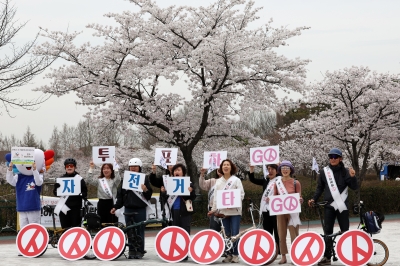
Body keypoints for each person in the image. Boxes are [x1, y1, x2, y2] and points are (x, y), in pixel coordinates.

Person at [308, 148, 358, 266]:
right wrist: (313, 199)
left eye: (335, 157)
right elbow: (320, 188)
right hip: (328, 206)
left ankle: (350, 256)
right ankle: (327, 257)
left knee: (345, 231)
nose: (333, 159)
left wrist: (352, 177)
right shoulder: (324, 172)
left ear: (340, 159)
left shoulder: (346, 172)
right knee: (327, 232)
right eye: (331, 157)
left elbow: (354, 187)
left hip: (342, 207)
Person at [110, 158, 153, 259]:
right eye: (131, 167)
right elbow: (121, 195)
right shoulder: (126, 179)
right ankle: (132, 250)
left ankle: (140, 250)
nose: (133, 168)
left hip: (140, 209)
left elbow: (149, 196)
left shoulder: (144, 178)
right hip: (128, 208)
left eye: (135, 166)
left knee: (139, 230)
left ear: (139, 168)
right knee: (130, 230)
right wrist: (116, 207)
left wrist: (145, 190)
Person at [208, 159, 245, 263]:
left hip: (235, 211)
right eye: (224, 165)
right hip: (223, 212)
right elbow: (216, 198)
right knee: (227, 233)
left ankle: (235, 254)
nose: (226, 166)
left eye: (228, 165)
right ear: (221, 168)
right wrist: (213, 210)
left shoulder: (236, 180)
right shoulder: (218, 182)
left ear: (231, 167)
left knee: (235, 233)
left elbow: (241, 195)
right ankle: (228, 254)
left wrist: (232, 204)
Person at [273, 160, 302, 265]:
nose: (285, 170)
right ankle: (283, 256)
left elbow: (299, 196)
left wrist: (300, 200)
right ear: (280, 170)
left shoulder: (296, 182)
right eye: (283, 168)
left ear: (291, 170)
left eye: (287, 168)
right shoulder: (277, 183)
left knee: (294, 233)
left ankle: (295, 255)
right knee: (281, 233)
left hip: (293, 212)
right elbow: (275, 196)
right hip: (280, 212)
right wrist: (270, 199)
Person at [248, 163, 280, 255]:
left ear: (276, 170)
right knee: (267, 231)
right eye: (268, 169)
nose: (270, 171)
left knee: (277, 232)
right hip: (266, 210)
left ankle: (279, 251)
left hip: (276, 210)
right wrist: (251, 169)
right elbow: (253, 179)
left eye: (272, 169)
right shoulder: (266, 181)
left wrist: (280, 165)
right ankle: (269, 250)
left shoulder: (280, 180)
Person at [53, 158, 88, 228]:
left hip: (76, 208)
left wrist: (82, 194)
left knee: (75, 228)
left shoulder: (79, 179)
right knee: (64, 228)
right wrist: (55, 189)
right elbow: (56, 193)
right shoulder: (61, 178)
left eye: (71, 166)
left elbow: (85, 192)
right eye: (67, 166)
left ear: (75, 167)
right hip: (64, 207)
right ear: (65, 167)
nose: (69, 167)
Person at [6, 161, 43, 229]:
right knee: (24, 230)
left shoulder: (37, 175)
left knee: (34, 229)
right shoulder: (18, 176)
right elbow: (10, 180)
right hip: (22, 207)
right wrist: (10, 168)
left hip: (33, 207)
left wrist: (35, 169)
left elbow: (38, 182)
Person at [199, 168, 222, 232]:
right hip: (213, 208)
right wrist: (202, 174)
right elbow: (202, 185)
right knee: (214, 229)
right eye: (218, 169)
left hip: (226, 209)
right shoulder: (212, 181)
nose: (220, 170)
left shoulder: (230, 181)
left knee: (226, 230)